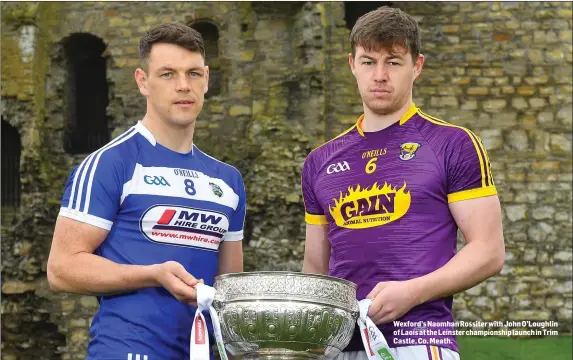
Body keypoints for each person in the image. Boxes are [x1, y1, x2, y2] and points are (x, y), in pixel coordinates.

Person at [301, 7, 505, 360]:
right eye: (368, 62)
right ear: (352, 65)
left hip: (420, 339)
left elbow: (488, 251)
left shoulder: (453, 144)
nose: (379, 75)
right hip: (338, 346)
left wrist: (413, 292)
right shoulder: (320, 161)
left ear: (417, 66)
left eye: (393, 62)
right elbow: (316, 270)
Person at [47, 23, 246, 360]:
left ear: (207, 79)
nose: (184, 86)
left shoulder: (228, 180)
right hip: (127, 351)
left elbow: (231, 286)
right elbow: (61, 269)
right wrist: (153, 275)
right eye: (167, 74)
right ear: (143, 81)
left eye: (193, 73)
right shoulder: (110, 163)